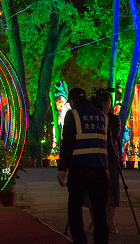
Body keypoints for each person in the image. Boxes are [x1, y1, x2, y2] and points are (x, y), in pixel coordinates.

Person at [58, 88, 109, 244]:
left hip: (79, 169)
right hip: (100, 169)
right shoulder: (102, 116)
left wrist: (62, 169)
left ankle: (80, 240)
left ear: (72, 102)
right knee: (100, 210)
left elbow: (67, 144)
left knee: (75, 207)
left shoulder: (72, 115)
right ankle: (101, 241)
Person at [84, 91, 121, 235]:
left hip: (110, 158)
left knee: (112, 192)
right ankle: (95, 221)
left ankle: (110, 222)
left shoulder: (113, 119)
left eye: (108, 102)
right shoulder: (92, 118)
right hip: (94, 158)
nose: (106, 105)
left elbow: (114, 137)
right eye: (104, 102)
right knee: (92, 192)